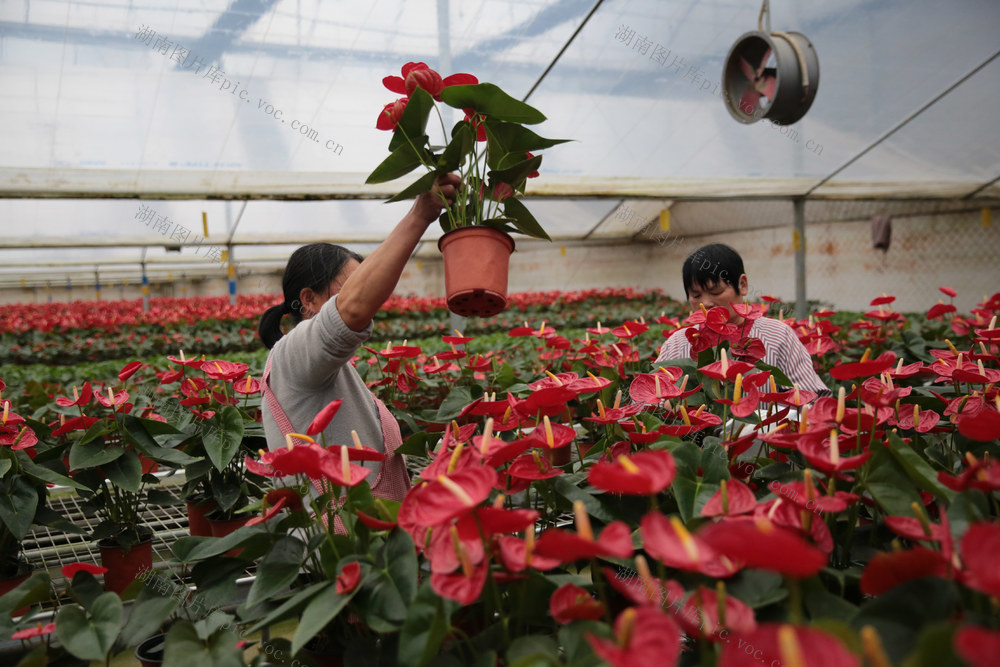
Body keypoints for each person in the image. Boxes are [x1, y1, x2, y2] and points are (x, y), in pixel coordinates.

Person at [257, 174, 461, 501]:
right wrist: (421, 215)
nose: (365, 300)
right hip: (342, 542)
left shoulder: (326, 365)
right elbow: (350, 311)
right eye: (348, 287)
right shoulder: (292, 355)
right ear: (308, 299)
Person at [655, 243, 830, 396]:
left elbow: (812, 396)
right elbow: (646, 402)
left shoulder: (778, 336)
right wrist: (668, 405)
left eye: (716, 292)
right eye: (696, 295)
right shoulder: (678, 343)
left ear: (743, 285)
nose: (706, 303)